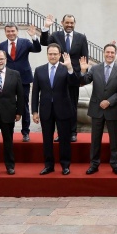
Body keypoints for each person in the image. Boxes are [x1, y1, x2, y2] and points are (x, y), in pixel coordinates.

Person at [31, 43, 80, 175]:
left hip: (63, 109)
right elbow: (35, 92)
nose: (52, 56)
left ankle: (65, 165)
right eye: (50, 54)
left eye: (55, 54)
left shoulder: (66, 68)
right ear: (47, 55)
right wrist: (34, 111)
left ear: (60, 55)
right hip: (46, 110)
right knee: (47, 139)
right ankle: (48, 165)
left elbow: (74, 83)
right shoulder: (39, 70)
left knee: (64, 139)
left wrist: (70, 67)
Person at [40, 14, 89, 142]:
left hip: (74, 76)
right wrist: (45, 27)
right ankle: (61, 132)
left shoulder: (81, 37)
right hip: (58, 76)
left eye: (71, 23)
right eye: (67, 23)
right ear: (62, 23)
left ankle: (73, 132)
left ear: (74, 23)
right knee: (58, 105)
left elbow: (84, 58)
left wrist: (83, 77)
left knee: (72, 105)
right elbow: (44, 42)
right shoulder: (55, 36)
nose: (69, 25)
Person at [80, 44, 117, 175]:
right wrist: (83, 70)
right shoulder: (95, 69)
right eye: (107, 52)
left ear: (115, 54)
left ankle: (115, 164)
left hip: (113, 109)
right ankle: (94, 164)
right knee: (95, 139)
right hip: (97, 109)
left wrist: (109, 101)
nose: (110, 55)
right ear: (104, 53)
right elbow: (84, 81)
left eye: (112, 52)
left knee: (115, 140)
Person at [0, 22, 42, 142]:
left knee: (24, 105)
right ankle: (9, 130)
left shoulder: (25, 42)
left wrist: (33, 37)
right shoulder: (1, 45)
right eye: (8, 31)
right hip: (8, 79)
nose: (11, 33)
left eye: (13, 31)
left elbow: (37, 49)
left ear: (17, 31)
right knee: (8, 105)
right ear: (5, 32)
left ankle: (25, 132)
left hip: (24, 78)